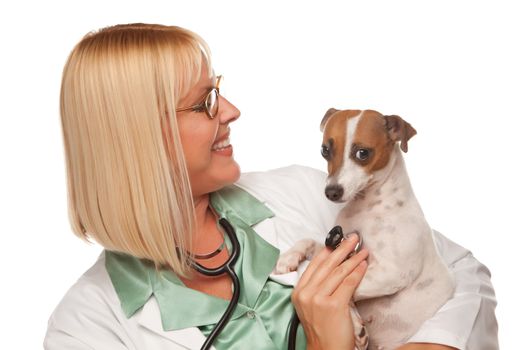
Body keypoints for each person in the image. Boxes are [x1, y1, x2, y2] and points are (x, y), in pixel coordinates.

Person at [44, 23, 498, 350]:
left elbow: (460, 273)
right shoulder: (85, 330)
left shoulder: (304, 193)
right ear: (136, 136)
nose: (232, 110)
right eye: (205, 102)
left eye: (218, 91)